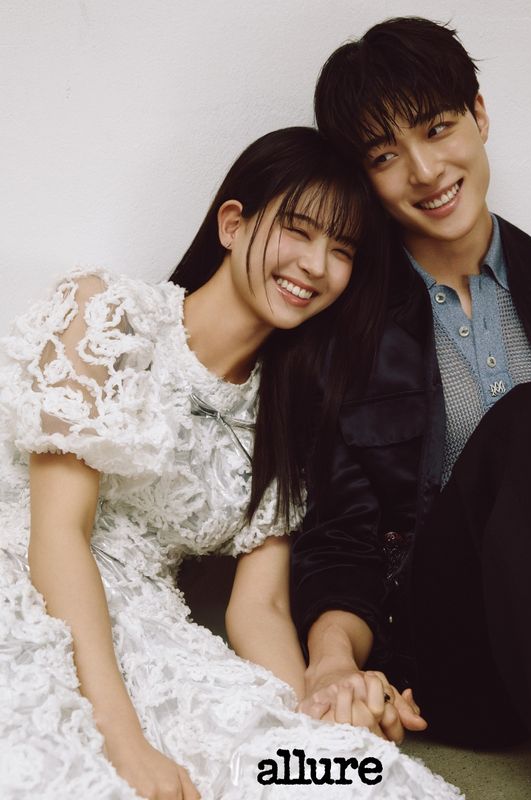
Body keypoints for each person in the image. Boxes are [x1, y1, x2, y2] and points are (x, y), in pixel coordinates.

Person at [0, 126, 461, 799]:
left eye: (341, 250)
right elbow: (58, 534)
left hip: (153, 637)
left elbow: (261, 607)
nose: (316, 265)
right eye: (298, 230)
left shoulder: (288, 417)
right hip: (30, 592)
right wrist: (124, 741)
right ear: (233, 224)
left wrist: (323, 708)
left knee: (348, 776)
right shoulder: (106, 315)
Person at [291, 17, 531, 800]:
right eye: (385, 156)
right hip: (456, 659)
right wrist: (335, 663)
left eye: (437, 128)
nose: (425, 171)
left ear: (479, 115)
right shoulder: (341, 344)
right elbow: (338, 538)